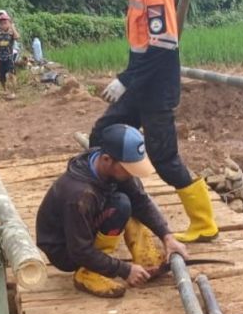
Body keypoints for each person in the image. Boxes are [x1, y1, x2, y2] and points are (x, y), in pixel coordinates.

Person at [87, 0, 217, 244]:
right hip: (141, 83)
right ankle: (117, 210)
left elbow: (161, 48)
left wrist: (125, 80)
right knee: (103, 135)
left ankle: (204, 223)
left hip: (155, 87)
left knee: (164, 158)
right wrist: (130, 79)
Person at [36, 123, 188, 298]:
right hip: (66, 251)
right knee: (121, 204)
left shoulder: (112, 169)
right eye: (128, 168)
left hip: (84, 226)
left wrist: (167, 236)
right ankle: (88, 272)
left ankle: (141, 253)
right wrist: (123, 269)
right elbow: (79, 250)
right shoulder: (79, 196)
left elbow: (141, 201)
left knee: (126, 200)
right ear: (107, 159)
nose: (132, 173)